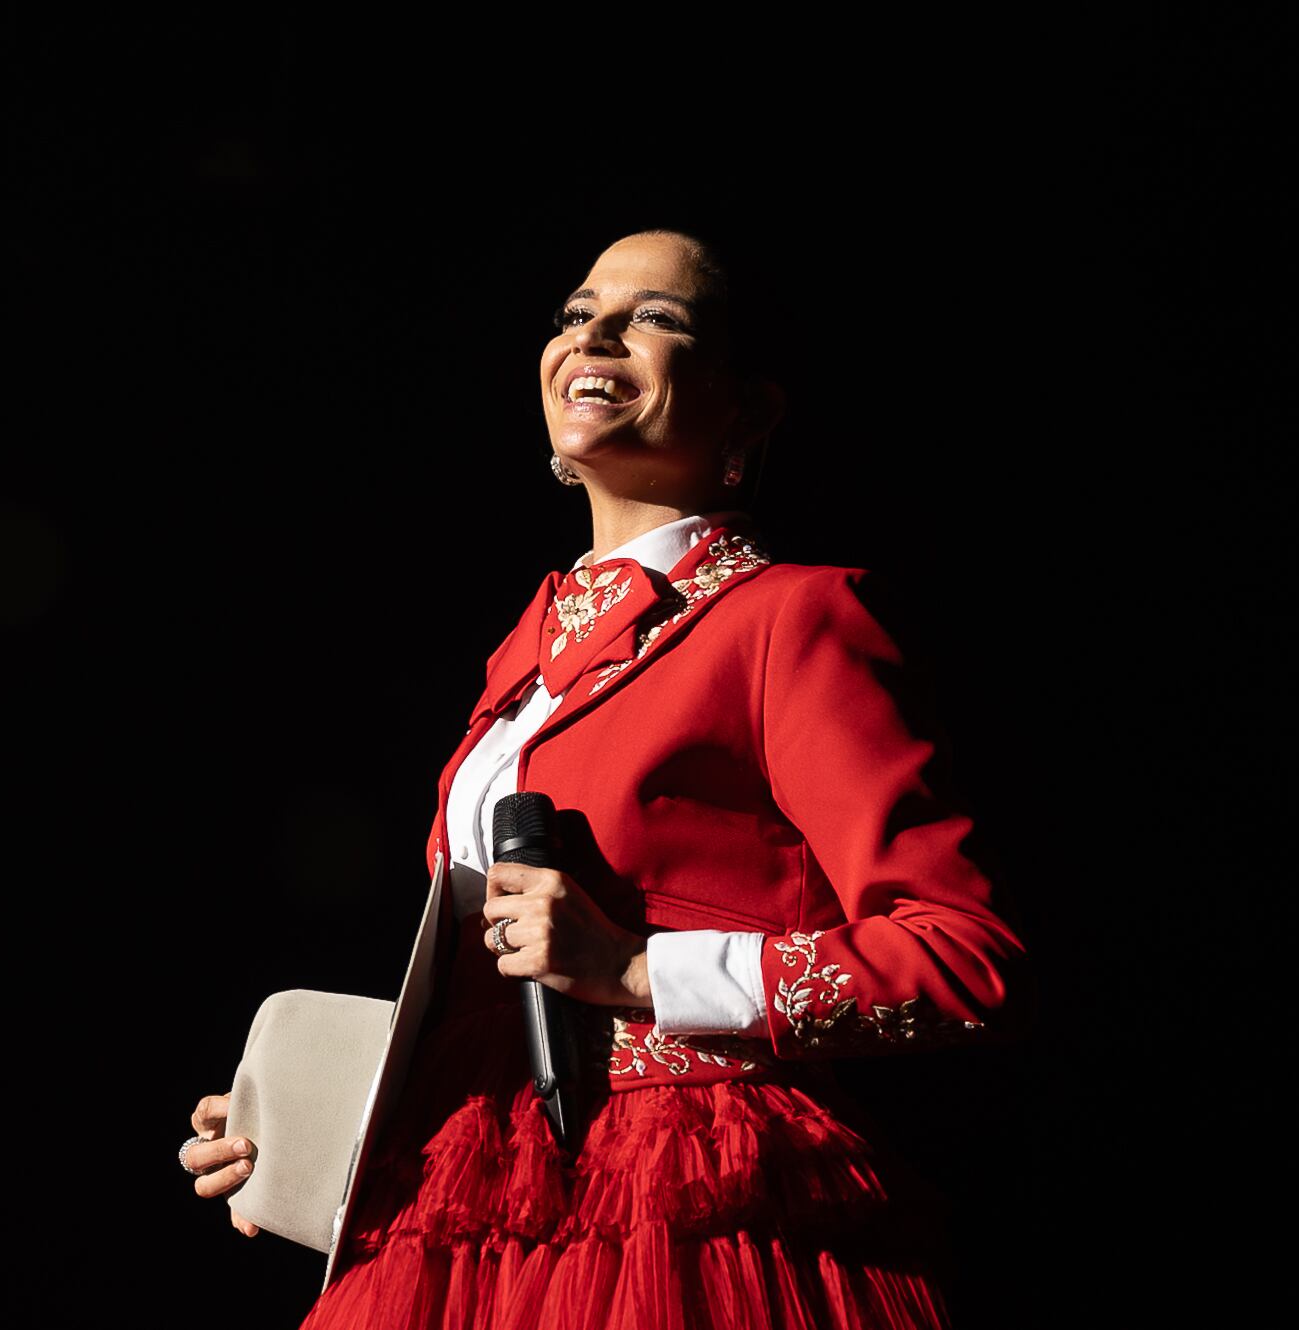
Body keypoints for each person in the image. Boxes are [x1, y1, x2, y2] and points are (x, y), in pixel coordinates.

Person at [182, 228, 1026, 1328]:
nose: (597, 332)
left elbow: (963, 958)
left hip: (683, 1206)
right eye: (577, 311)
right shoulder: (516, 663)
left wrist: (638, 967)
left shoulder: (789, 618)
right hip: (468, 1209)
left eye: (658, 317)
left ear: (749, 411)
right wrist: (322, 1126)